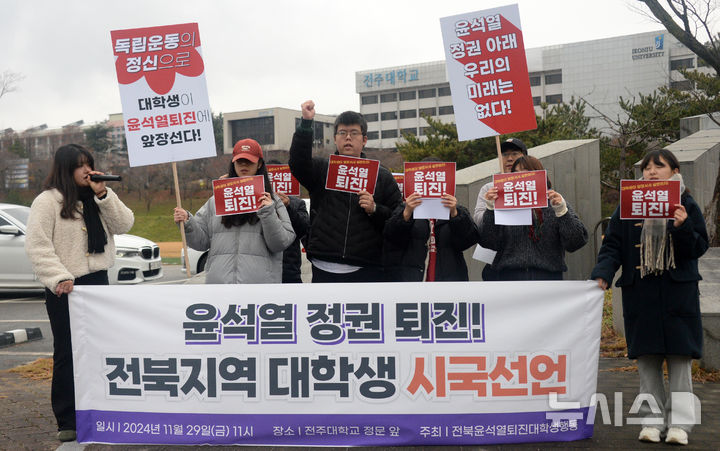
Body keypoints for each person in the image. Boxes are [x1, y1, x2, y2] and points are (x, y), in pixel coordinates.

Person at [591, 149, 707, 446]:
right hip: (640, 292)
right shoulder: (629, 202)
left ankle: (680, 425)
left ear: (674, 170)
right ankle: (651, 422)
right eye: (647, 167)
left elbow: (697, 248)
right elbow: (614, 242)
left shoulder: (686, 203)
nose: (651, 172)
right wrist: (603, 272)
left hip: (676, 293)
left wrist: (682, 227)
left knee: (680, 362)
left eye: (659, 166)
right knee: (647, 362)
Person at [24, 144, 134, 442]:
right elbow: (37, 245)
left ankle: (99, 408)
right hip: (66, 286)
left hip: (98, 281)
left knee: (100, 348)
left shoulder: (96, 196)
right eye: (80, 165)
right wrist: (58, 276)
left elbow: (125, 224)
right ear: (64, 168)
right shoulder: (47, 201)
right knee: (67, 352)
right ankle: (67, 418)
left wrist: (103, 194)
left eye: (89, 164)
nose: (87, 170)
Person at [288, 100, 402, 282]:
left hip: (366, 267)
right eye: (342, 133)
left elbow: (398, 219)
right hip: (322, 264)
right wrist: (306, 123)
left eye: (354, 133)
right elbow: (297, 163)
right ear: (335, 138)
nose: (348, 138)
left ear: (364, 140)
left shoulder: (382, 176)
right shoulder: (321, 169)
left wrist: (375, 209)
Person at [173, 139, 295, 284]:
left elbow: (280, 243)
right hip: (220, 287)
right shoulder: (216, 200)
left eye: (249, 161)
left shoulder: (273, 201)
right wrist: (188, 222)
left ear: (259, 164)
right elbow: (201, 242)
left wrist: (268, 212)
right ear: (233, 163)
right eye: (239, 161)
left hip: (259, 289)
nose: (243, 165)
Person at [477, 155, 588, 280]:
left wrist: (562, 211)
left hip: (548, 278)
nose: (519, 177)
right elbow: (488, 241)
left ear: (540, 175)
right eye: (515, 173)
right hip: (509, 278)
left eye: (526, 172)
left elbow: (576, 242)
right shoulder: (504, 205)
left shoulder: (554, 202)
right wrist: (491, 210)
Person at [384, 190, 479, 282]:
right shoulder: (407, 208)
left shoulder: (455, 210)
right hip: (413, 280)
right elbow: (391, 237)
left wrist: (455, 215)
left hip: (449, 280)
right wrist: (406, 214)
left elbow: (469, 240)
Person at [473, 138, 528, 281]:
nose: (509, 159)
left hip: (529, 262)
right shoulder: (488, 188)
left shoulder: (535, 186)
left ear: (525, 157)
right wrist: (491, 206)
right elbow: (478, 220)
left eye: (515, 153)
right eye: (504, 155)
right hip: (497, 260)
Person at [266, 159, 310, 283]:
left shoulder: (297, 203)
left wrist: (288, 207)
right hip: (262, 270)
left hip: (289, 270)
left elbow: (304, 230)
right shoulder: (256, 202)